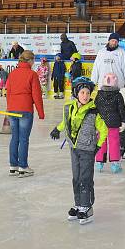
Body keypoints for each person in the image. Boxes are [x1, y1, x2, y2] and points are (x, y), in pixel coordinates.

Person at [50, 77, 107, 225]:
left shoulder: (94, 111)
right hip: (74, 148)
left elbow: (103, 129)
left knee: (85, 178)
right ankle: (78, 203)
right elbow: (66, 122)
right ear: (76, 93)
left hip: (88, 149)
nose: (85, 95)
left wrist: (98, 146)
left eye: (87, 93)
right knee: (76, 178)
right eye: (82, 92)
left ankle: (87, 207)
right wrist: (57, 129)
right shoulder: (70, 107)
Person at [6, 50, 45, 178]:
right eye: (33, 60)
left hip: (12, 109)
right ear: (30, 60)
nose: (34, 63)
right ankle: (23, 166)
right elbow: (36, 95)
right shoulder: (32, 74)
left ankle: (13, 166)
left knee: (15, 138)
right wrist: (41, 112)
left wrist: (9, 108)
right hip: (25, 110)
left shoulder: (12, 73)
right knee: (23, 139)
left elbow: (9, 92)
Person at [94, 72, 125, 173]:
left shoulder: (99, 95)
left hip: (101, 123)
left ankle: (99, 162)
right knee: (114, 143)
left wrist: (94, 122)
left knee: (101, 142)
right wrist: (124, 121)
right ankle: (115, 164)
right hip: (114, 123)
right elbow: (121, 109)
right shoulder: (118, 95)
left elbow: (95, 108)